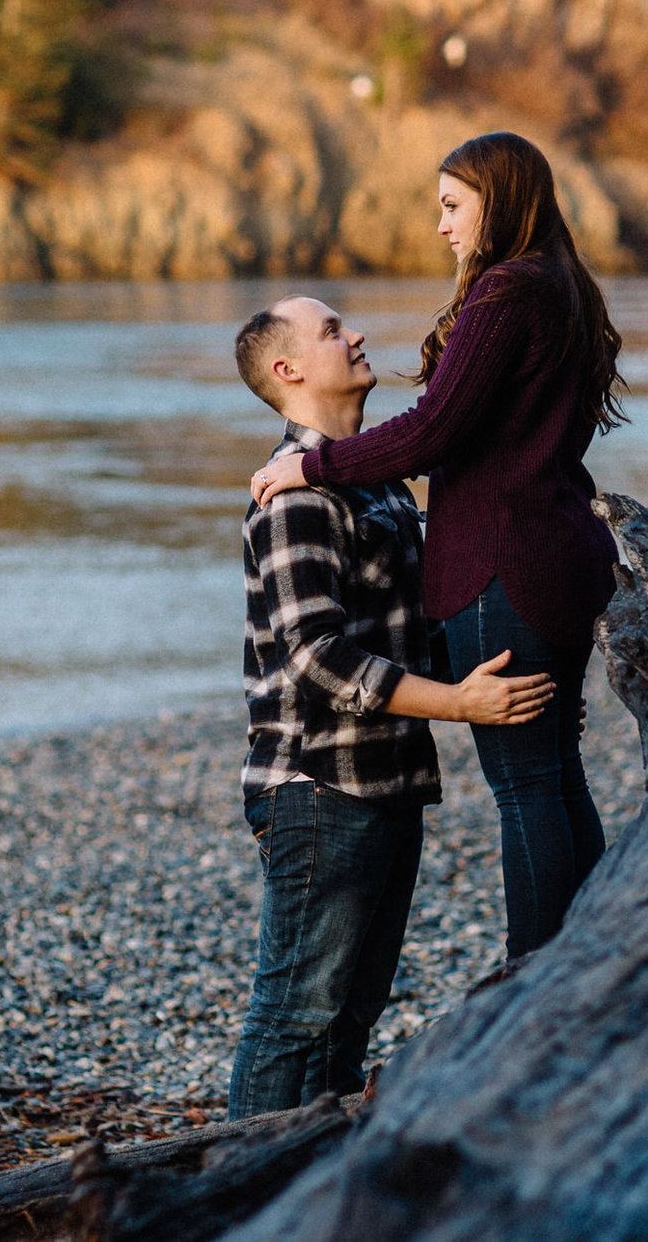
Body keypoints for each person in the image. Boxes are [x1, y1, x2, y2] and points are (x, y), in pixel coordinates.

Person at [249, 133, 625, 962]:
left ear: (502, 199)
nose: (443, 226)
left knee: (527, 785)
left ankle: (535, 975)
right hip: (561, 556)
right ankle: (592, 958)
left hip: (507, 566)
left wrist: (312, 465)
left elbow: (433, 430)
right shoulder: (562, 288)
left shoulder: (506, 294)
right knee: (558, 773)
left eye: (454, 206)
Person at [226, 293, 553, 1119]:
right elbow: (316, 656)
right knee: (295, 1018)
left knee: (346, 1021)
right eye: (333, 330)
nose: (358, 333)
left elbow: (419, 622)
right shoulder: (296, 497)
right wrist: (461, 704)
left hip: (387, 784)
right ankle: (230, 1194)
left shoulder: (375, 485)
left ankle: (307, 1192)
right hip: (318, 790)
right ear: (287, 369)